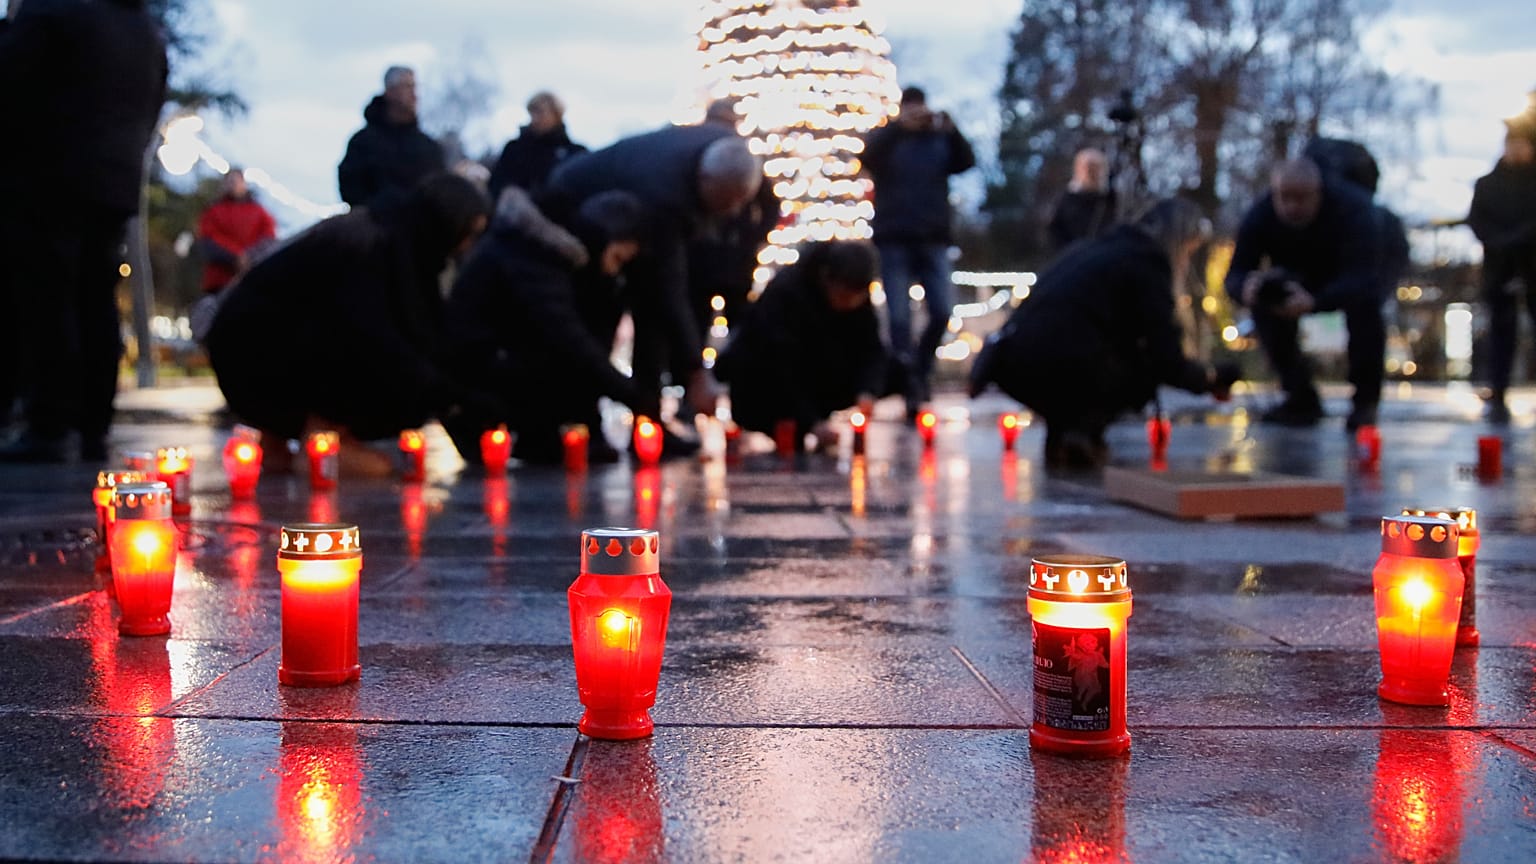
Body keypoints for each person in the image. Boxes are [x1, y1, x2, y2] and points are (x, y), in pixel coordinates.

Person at [205, 173, 500, 475]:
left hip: (244, 350)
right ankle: (322, 438)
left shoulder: (392, 236)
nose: (466, 245)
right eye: (467, 232)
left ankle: (277, 442)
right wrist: (440, 394)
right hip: (253, 357)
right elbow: (370, 336)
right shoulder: (374, 245)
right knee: (378, 358)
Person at [0, 0, 167, 463]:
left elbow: (11, 82)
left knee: (45, 300)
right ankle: (94, 424)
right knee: (96, 301)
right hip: (112, 181)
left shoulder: (54, 10)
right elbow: (151, 103)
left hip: (45, 177)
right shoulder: (142, 26)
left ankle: (49, 424)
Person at [538, 122, 763, 454]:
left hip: (623, 216)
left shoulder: (725, 152)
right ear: (706, 182)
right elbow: (669, 288)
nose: (733, 211)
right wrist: (696, 372)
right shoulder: (666, 194)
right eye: (727, 201)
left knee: (653, 317)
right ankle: (583, 423)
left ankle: (649, 422)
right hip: (578, 217)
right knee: (600, 318)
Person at [969, 198, 1240, 469]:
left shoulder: (1099, 249)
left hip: (1008, 361)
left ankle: (1065, 437)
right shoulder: (1147, 263)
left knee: (1093, 349)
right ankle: (1082, 431)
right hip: (1055, 364)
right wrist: (1208, 378)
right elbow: (1164, 356)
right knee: (1141, 373)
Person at [441, 187, 647, 466]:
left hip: (491, 362)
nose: (613, 271)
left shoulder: (535, 250)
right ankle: (534, 436)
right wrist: (629, 394)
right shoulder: (536, 257)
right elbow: (564, 336)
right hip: (483, 371)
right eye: (617, 259)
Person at [1223, 158, 1385, 430]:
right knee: (1266, 304)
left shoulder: (1354, 211)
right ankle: (1299, 396)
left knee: (1366, 311)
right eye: (1284, 197)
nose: (1292, 206)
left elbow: (1364, 277)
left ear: (1318, 192)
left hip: (1346, 275)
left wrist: (1316, 301)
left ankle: (1365, 403)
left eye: (1301, 198)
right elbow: (1235, 274)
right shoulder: (1260, 214)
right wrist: (1246, 288)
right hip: (1296, 277)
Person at [861, 86, 976, 417]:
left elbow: (966, 162)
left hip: (933, 237)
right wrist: (898, 128)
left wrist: (952, 131)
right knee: (898, 318)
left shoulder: (938, 139)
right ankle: (909, 381)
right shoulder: (888, 138)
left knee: (942, 310)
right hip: (894, 237)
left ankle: (920, 369)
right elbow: (866, 158)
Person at [713, 240, 886, 449]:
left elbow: (872, 349)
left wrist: (867, 390)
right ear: (826, 278)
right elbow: (778, 362)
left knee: (894, 370)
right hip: (764, 387)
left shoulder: (858, 298)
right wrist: (811, 422)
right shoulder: (787, 293)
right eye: (843, 296)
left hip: (817, 380)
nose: (849, 304)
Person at [688, 97, 780, 340]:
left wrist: (753, 235)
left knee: (739, 325)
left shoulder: (743, 160)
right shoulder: (700, 156)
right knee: (697, 322)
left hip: (735, 256)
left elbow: (771, 204)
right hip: (702, 256)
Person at [1467, 110, 1536, 425]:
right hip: (1499, 268)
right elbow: (1477, 220)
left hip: (1531, 264)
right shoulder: (1487, 184)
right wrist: (1503, 242)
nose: (1518, 150)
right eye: (1514, 144)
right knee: (1500, 332)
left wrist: (1516, 238)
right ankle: (1498, 391)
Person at [337, 66, 446, 213]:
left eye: (415, 87)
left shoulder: (429, 147)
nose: (414, 95)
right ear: (390, 91)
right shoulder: (363, 143)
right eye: (407, 87)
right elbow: (351, 188)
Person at [487, 91, 588, 202]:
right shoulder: (515, 149)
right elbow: (496, 187)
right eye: (532, 113)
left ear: (556, 115)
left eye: (541, 112)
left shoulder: (575, 153)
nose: (535, 119)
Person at [196, 168, 277, 296]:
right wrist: (235, 256)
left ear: (243, 183)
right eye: (229, 181)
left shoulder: (259, 212)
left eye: (236, 181)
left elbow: (269, 238)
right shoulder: (213, 211)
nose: (232, 184)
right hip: (219, 282)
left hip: (252, 280)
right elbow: (208, 241)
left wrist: (249, 258)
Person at [1047, 147, 1117, 254]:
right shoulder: (1067, 198)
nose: (1091, 173)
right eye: (1087, 168)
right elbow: (1055, 229)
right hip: (1072, 255)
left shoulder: (1110, 199)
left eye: (1095, 168)